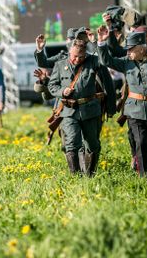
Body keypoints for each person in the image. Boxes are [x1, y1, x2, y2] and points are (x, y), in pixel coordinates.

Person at [97, 28, 147, 179]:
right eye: (127, 50)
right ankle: (145, 178)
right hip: (134, 111)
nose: (128, 53)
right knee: (141, 143)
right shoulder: (126, 62)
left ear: (142, 48)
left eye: (131, 50)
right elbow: (106, 60)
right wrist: (102, 42)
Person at [48, 39, 114, 176]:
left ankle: (90, 175)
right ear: (69, 52)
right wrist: (62, 91)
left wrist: (97, 42)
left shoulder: (93, 62)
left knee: (92, 144)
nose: (77, 59)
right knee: (71, 143)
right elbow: (52, 85)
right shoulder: (60, 65)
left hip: (89, 109)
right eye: (75, 56)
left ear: (86, 54)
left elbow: (104, 60)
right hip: (68, 111)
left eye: (81, 56)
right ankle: (75, 176)